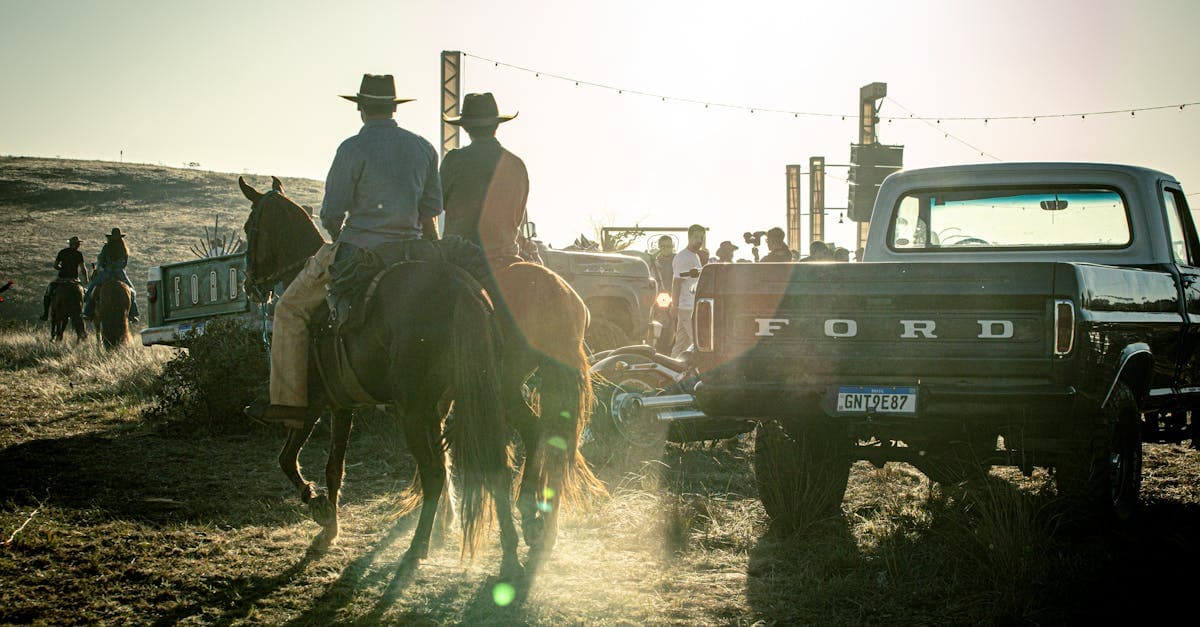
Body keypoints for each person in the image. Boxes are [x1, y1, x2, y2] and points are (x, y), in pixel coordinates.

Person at [248, 74, 442, 425]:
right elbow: (430, 214)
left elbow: (332, 214)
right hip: (413, 253)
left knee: (289, 310)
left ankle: (289, 405)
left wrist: (341, 237)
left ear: (361, 108)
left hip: (361, 251)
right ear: (394, 107)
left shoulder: (351, 149)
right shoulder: (424, 148)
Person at [440, 92, 526, 269]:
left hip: (461, 258)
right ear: (496, 125)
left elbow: (439, 204)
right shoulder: (516, 164)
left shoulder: (454, 161)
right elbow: (518, 216)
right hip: (506, 255)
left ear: (465, 128)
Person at [83, 228, 139, 321]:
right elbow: (124, 263)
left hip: (107, 272)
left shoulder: (106, 247)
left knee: (91, 289)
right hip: (119, 273)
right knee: (132, 292)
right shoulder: (123, 248)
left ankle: (88, 312)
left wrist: (102, 268)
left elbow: (101, 261)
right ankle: (132, 314)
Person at [670, 224, 706, 358]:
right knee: (697, 342)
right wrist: (674, 305)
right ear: (689, 237)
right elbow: (676, 282)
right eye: (696, 237)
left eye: (701, 237)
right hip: (686, 307)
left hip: (692, 305)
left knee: (681, 344)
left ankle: (670, 370)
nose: (699, 240)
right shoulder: (682, 257)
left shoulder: (695, 256)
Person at [41, 236, 88, 321]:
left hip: (61, 278)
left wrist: (61, 268)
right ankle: (84, 312)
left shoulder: (62, 252)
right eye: (78, 244)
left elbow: (55, 265)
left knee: (49, 291)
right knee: (85, 294)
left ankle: (45, 313)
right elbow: (83, 268)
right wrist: (86, 278)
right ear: (76, 245)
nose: (79, 245)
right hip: (74, 279)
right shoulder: (79, 254)